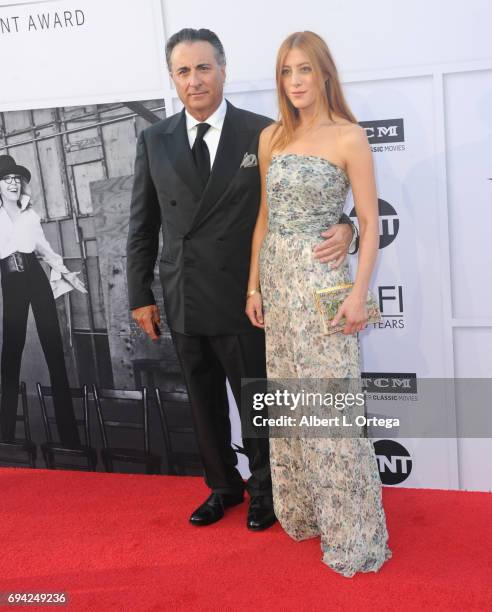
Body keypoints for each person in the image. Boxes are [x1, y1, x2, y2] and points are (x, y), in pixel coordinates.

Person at [126, 28, 356, 530]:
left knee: (256, 400)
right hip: (183, 293)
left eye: (204, 68)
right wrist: (139, 295)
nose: (195, 80)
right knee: (204, 404)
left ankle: (265, 491)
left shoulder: (265, 131)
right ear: (172, 78)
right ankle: (222, 487)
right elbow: (141, 225)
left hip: (248, 295)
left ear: (223, 71)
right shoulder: (154, 139)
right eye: (183, 71)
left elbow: (304, 197)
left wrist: (348, 225)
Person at [245, 31, 392, 576]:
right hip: (279, 290)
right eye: (286, 72)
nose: (295, 81)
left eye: (304, 70)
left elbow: (372, 223)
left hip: (324, 287)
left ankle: (352, 531)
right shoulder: (272, 138)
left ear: (325, 74)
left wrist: (359, 294)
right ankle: (305, 512)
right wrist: (253, 287)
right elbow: (263, 218)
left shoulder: (349, 137)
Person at [0, 154, 87, 447]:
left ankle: (69, 436)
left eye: (16, 179)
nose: (13, 183)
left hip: (36, 278)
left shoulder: (30, 215)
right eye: (6, 179)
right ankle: (5, 433)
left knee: (53, 347)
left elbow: (46, 251)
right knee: (11, 352)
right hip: (10, 280)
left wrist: (67, 275)